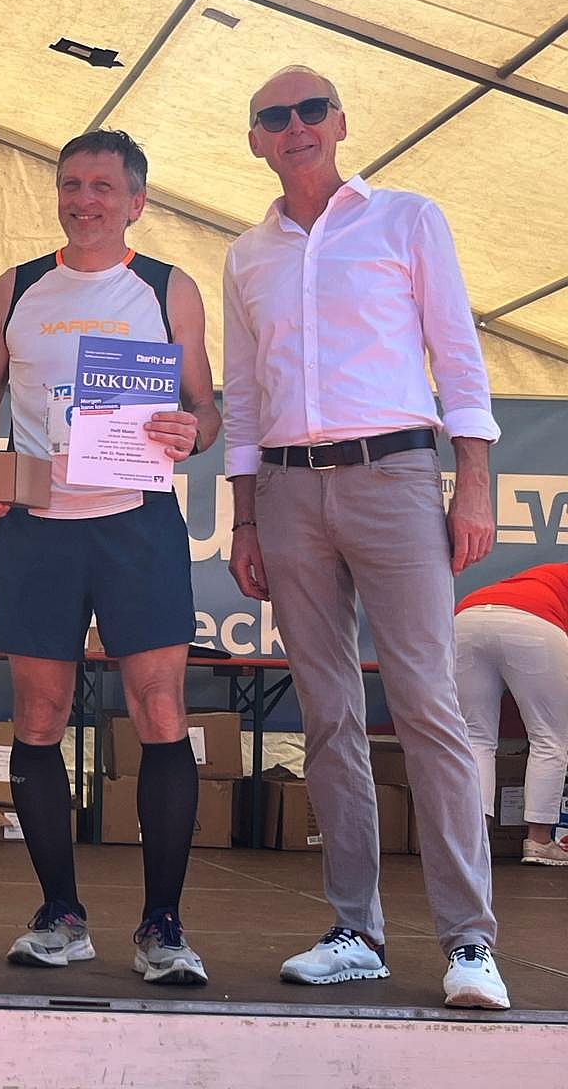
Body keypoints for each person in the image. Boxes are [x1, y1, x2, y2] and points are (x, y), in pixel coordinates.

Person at [223, 65, 509, 1009]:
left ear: (340, 123)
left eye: (312, 110)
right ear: (256, 139)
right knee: (328, 716)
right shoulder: (245, 256)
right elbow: (243, 396)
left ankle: (470, 943)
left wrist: (473, 484)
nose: (296, 126)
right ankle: (357, 931)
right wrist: (245, 514)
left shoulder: (409, 219)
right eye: (276, 116)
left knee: (427, 706)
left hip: (396, 476)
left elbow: (457, 354)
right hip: (286, 491)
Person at [0, 129, 220, 985]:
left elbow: (206, 411)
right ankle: (60, 915)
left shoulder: (169, 288)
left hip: (137, 521)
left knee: (160, 710)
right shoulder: (17, 287)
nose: (85, 200)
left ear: (136, 201)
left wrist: (189, 431)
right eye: (72, 184)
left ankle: (163, 926)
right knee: (37, 716)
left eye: (103, 186)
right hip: (39, 526)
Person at [454, 563, 568, 867]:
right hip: (534, 623)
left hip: (466, 618)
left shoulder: (541, 576)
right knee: (549, 739)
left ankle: (474, 842)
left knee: (475, 739)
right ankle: (539, 842)